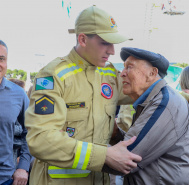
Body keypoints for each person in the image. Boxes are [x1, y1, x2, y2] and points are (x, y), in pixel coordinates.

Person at [25, 5, 142, 185]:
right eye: (105, 42)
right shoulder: (53, 75)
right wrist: (104, 155)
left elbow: (143, 91)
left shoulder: (109, 74)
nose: (112, 51)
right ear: (83, 39)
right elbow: (40, 139)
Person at [103, 47, 189, 184]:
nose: (122, 73)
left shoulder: (163, 104)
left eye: (129, 67)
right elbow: (142, 144)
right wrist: (116, 134)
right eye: (123, 68)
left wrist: (79, 149)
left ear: (152, 73)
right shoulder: (155, 99)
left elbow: (127, 158)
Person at [0, 40, 32, 185]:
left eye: (2, 59)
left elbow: (30, 132)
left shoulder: (19, 94)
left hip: (5, 178)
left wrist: (23, 167)